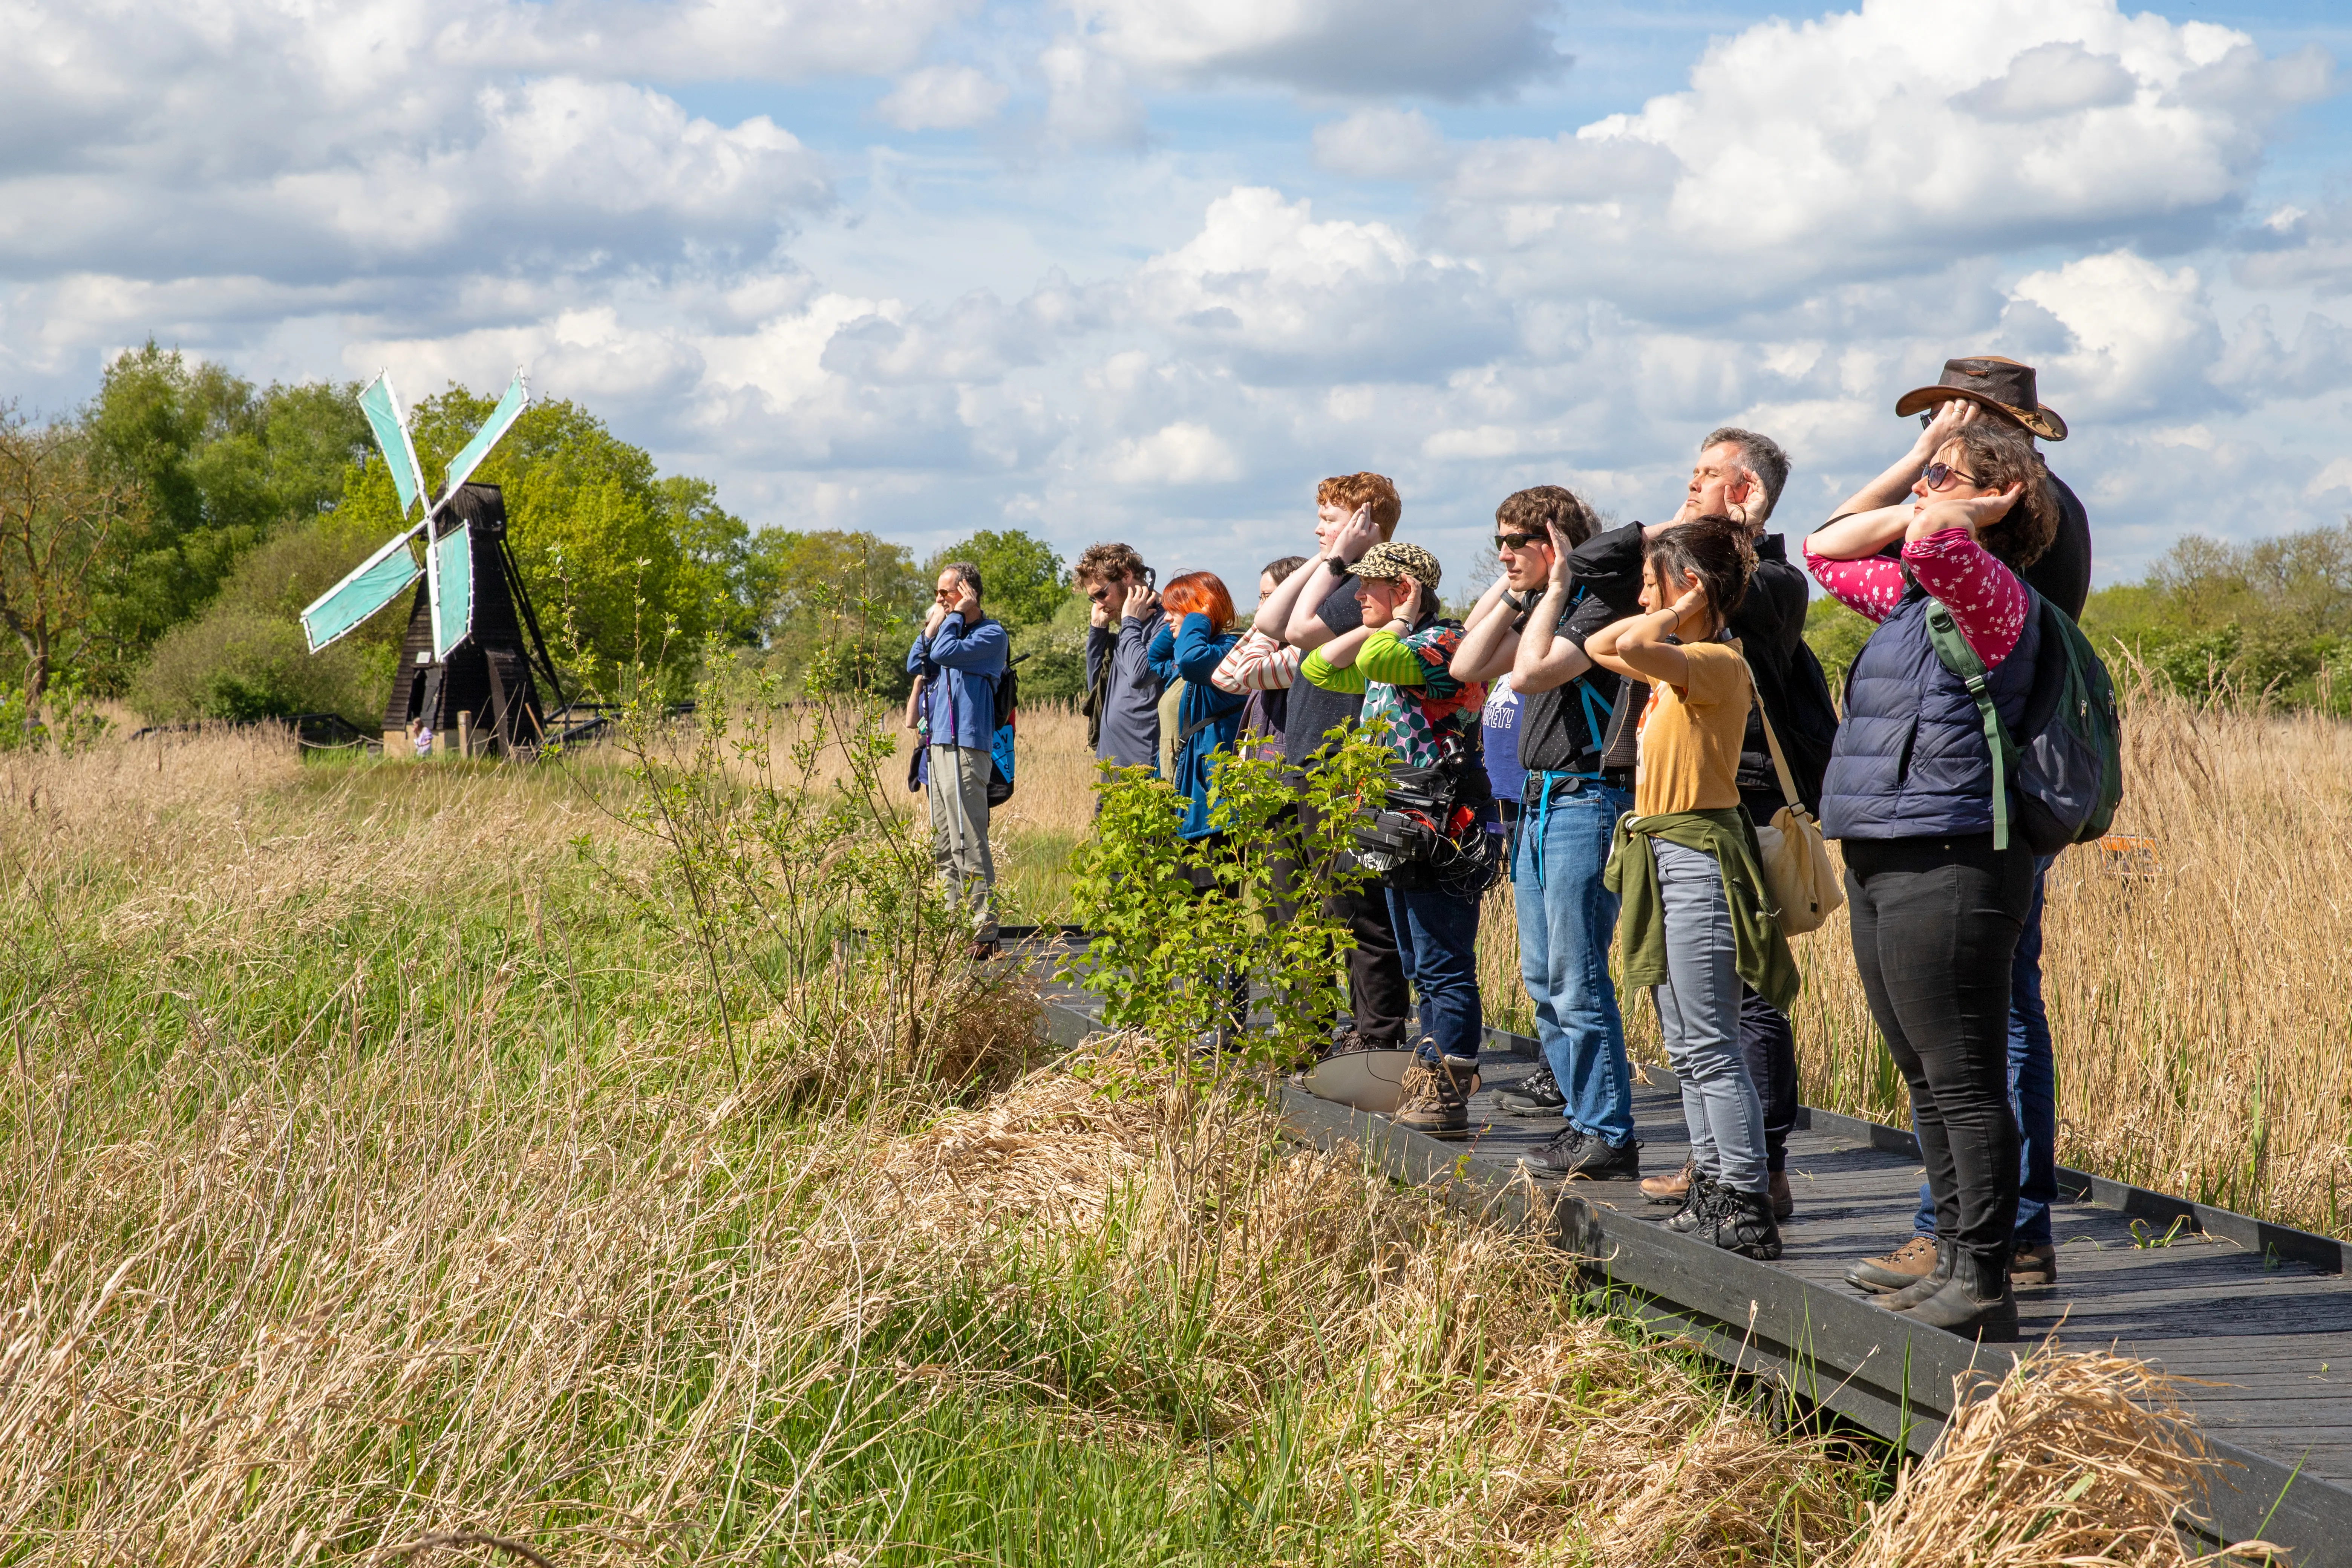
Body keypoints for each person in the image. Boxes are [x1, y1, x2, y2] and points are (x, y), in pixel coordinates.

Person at [1805, 409, 2060, 1339]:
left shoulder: (1988, 593)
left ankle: (1985, 1280)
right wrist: (1922, 457)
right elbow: (1825, 548)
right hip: (1883, 846)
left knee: (1962, 1074)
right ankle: (1952, 1253)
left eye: (1940, 479)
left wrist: (1963, 506)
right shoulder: (1918, 601)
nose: (1919, 493)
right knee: (1921, 1071)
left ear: (1996, 505)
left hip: (1951, 855)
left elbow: (1925, 536)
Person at [1847, 357, 2089, 1296]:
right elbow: (1831, 546)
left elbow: (1938, 551)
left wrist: (1947, 492)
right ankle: (1968, 1238)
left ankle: (1991, 1239)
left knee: (1984, 1039)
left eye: (1950, 423)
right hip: (1948, 801)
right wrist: (1925, 473)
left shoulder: (2020, 522)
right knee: (1964, 1039)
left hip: (1976, 809)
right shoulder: (1945, 540)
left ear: (1993, 425)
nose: (1931, 446)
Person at [1591, 518, 1799, 1259]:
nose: (1643, 595)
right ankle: (1713, 1183)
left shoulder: (1713, 661)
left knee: (1711, 1040)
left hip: (1699, 860)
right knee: (1686, 1040)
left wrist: (1685, 607)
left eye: (1655, 581)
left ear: (1693, 590)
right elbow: (1599, 647)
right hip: (1664, 856)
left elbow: (1633, 643)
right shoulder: (1679, 663)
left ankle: (1744, 1200)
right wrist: (1672, 598)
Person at [1656, 428, 1839, 1220]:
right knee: (1700, 1002)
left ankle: (1763, 1169)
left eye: (1706, 475)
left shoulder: (1776, 583)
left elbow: (1739, 594)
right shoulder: (1689, 574)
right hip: (1696, 806)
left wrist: (1740, 532)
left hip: (1751, 802)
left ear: (1746, 490)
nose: (1690, 484)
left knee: (1753, 997)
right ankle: (1718, 1161)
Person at [1448, 487, 1641, 1181]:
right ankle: (1583, 1120)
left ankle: (1607, 1130)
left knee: (1577, 974)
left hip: (1586, 800)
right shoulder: (1542, 607)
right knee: (1543, 978)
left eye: (1515, 542)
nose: (1502, 554)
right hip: (1537, 804)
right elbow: (1467, 666)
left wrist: (1559, 586)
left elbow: (1528, 674)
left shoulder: (1601, 608)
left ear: (1556, 544)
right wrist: (1514, 592)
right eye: (1498, 540)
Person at [1300, 540, 1495, 1137]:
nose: (1357, 596)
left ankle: (1446, 1089)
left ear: (1406, 589)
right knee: (1417, 961)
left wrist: (1402, 619)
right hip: (1399, 823)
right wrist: (1384, 621)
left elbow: (1379, 663)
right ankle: (1428, 1076)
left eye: (1371, 587)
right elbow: (1317, 666)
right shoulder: (1392, 643)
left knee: (1443, 964)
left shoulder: (1442, 643)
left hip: (1441, 826)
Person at [1250, 473, 1412, 1054]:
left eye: (1329, 516)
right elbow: (1268, 624)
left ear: (1366, 524)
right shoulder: (1337, 580)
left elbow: (1294, 629)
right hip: (1306, 762)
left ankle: (1378, 1040)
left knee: (1356, 911)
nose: (1317, 527)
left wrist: (1342, 556)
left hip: (1343, 770)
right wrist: (1328, 553)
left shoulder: (1364, 589)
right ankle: (1309, 1035)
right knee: (1300, 909)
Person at [1147, 571, 1251, 1043]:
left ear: (1202, 611)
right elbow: (1156, 658)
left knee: (1219, 914)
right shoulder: (1199, 649)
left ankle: (1227, 1022)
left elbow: (1188, 660)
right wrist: (1178, 622)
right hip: (1193, 807)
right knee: (1197, 913)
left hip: (1218, 809)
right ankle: (1210, 1015)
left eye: (1176, 610)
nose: (1168, 620)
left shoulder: (1223, 654)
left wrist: (1195, 622)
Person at [906, 562, 1012, 959]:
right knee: (944, 843)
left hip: (967, 746)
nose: (939, 600)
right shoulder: (945, 631)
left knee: (970, 839)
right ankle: (951, 927)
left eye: (946, 593)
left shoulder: (990, 634)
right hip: (937, 746)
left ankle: (984, 931)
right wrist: (932, 627)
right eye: (937, 593)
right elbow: (917, 663)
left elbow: (945, 653)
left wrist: (950, 620)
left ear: (968, 593)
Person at [1075, 542, 1164, 775]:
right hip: (1112, 762)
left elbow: (1140, 675)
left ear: (1126, 577)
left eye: (1102, 594)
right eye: (1093, 599)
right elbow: (1096, 688)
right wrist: (1097, 631)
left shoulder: (1167, 622)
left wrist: (1130, 621)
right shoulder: (1128, 626)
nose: (1100, 605)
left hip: (1145, 766)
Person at [1210, 555, 1310, 760]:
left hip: (1281, 769)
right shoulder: (1275, 648)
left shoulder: (1305, 650)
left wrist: (1270, 624)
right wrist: (1266, 623)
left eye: (1268, 597)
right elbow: (1224, 678)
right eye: (1260, 598)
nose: (1259, 608)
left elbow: (1247, 672)